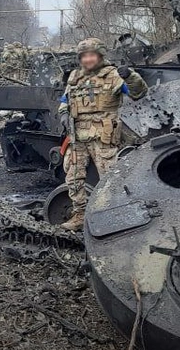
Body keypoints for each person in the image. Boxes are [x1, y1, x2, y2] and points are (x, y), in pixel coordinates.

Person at [58, 38, 148, 232]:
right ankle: (80, 215)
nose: (88, 59)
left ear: (100, 56)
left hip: (103, 136)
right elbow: (65, 100)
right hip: (77, 136)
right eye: (84, 56)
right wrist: (64, 113)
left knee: (110, 178)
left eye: (91, 55)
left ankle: (114, 214)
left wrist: (131, 77)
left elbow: (138, 93)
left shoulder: (113, 75)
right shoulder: (75, 77)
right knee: (73, 177)